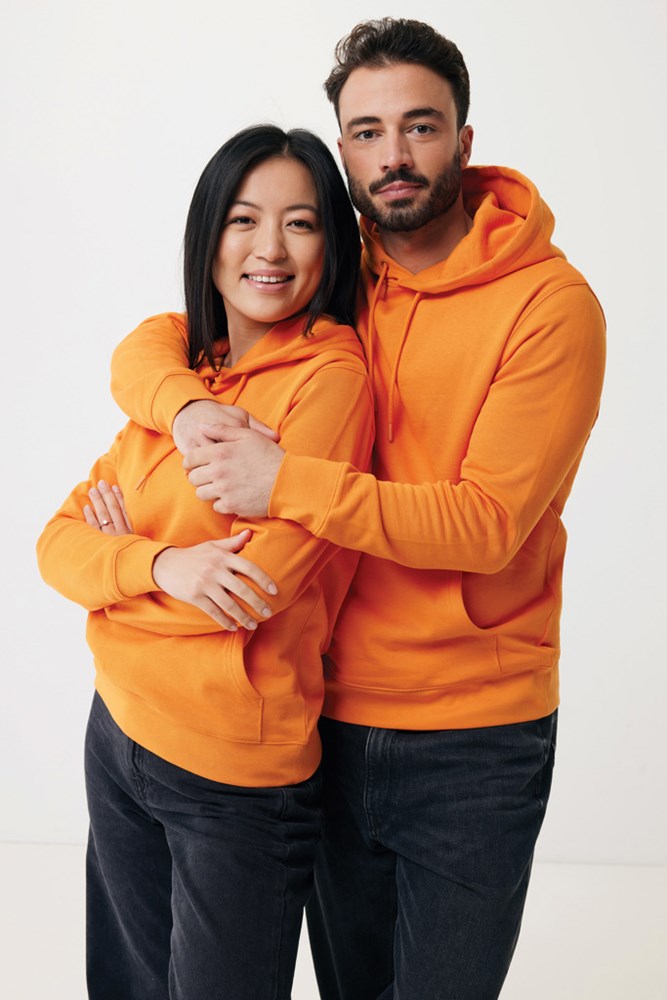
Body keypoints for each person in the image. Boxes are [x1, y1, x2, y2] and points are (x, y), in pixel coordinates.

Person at [108, 18, 606, 1000]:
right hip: (325, 714)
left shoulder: (550, 307)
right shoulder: (339, 272)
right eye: (368, 133)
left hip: (471, 738)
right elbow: (159, 338)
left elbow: (484, 525)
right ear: (343, 149)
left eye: (420, 126)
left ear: (464, 138)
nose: (394, 156)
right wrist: (189, 408)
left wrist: (282, 483)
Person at [36, 124, 374, 1000]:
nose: (269, 249)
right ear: (208, 233)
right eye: (243, 219)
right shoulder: (181, 374)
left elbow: (254, 588)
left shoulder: (331, 381)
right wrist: (164, 566)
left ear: (330, 244)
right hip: (118, 731)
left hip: (233, 777)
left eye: (300, 223)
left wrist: (119, 568)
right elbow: (57, 543)